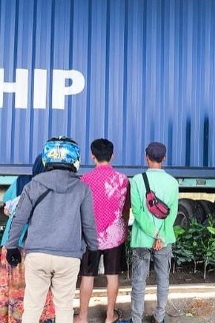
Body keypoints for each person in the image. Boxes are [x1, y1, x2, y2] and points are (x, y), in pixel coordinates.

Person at [4, 136, 98, 323]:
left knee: (32, 308)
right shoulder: (83, 189)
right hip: (69, 257)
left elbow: (19, 218)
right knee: (64, 309)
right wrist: (94, 251)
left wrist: (12, 246)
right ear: (75, 160)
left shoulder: (33, 185)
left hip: (37, 254)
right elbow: (89, 224)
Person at [75, 139, 130, 323]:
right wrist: (123, 230)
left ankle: (82, 317)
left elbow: (80, 209)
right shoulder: (122, 180)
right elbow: (125, 209)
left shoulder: (84, 180)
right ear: (112, 155)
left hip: (90, 235)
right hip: (114, 234)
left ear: (92, 155)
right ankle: (109, 316)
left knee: (87, 275)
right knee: (112, 275)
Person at [0, 154, 55, 323]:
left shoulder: (22, 180)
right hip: (34, 246)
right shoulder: (50, 188)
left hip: (10, 244)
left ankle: (12, 318)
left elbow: (7, 208)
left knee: (11, 289)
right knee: (36, 288)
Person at [129, 142, 178, 323]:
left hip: (142, 238)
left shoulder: (137, 180)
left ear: (146, 157)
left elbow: (137, 212)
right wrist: (161, 235)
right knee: (163, 279)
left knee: (139, 281)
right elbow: (172, 213)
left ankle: (136, 319)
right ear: (164, 158)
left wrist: (153, 232)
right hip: (164, 241)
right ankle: (159, 317)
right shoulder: (173, 182)